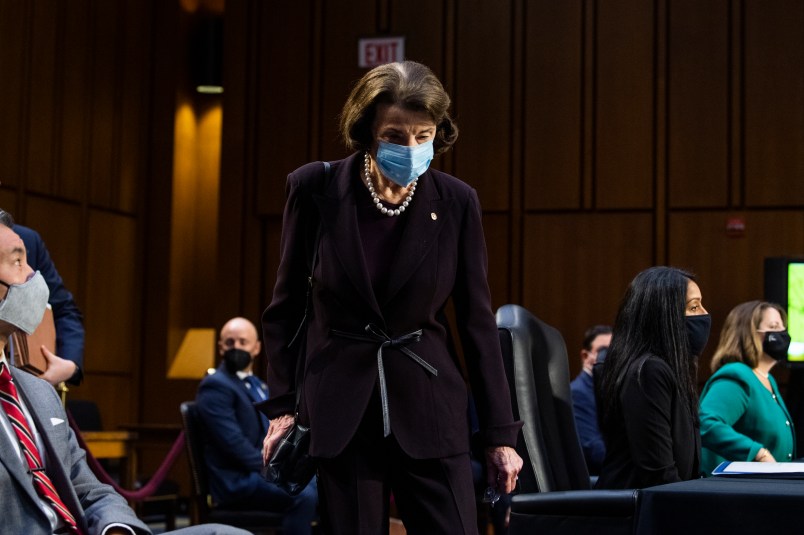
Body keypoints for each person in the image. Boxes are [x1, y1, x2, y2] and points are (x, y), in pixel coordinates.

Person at [260, 60, 523, 534]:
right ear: (366, 131)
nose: (412, 147)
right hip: (341, 406)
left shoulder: (457, 201)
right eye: (396, 136)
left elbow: (477, 323)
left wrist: (500, 435)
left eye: (424, 135)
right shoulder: (314, 189)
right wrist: (282, 407)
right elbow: (286, 308)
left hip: (430, 402)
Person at [0, 222, 250, 535]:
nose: (34, 278)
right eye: (18, 262)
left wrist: (116, 527)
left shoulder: (40, 394)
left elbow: (93, 490)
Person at [195, 317, 317, 534]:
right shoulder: (215, 386)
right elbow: (233, 445)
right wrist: (276, 470)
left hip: (256, 473)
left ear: (257, 348)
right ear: (221, 347)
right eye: (230, 342)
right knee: (303, 495)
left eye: (243, 342)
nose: (237, 347)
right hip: (236, 480)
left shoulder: (258, 384)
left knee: (321, 485)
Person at [595, 266, 710, 489]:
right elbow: (660, 476)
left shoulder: (673, 370)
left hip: (664, 505)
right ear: (665, 315)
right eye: (694, 307)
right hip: (635, 515)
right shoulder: (648, 372)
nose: (705, 314)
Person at [699, 300, 796, 475]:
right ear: (748, 333)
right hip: (738, 493)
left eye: (783, 327)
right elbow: (706, 423)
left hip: (768, 489)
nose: (782, 334)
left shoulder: (768, 380)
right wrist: (758, 453)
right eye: (774, 327)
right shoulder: (736, 375)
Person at [0, 208, 85, 386]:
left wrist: (70, 365)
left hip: (30, 384)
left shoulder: (25, 239)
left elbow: (64, 309)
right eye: (17, 261)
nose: (33, 274)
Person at [570, 324, 612, 475]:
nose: (608, 357)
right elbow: (593, 450)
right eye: (602, 351)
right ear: (585, 356)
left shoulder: (609, 390)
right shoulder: (578, 392)